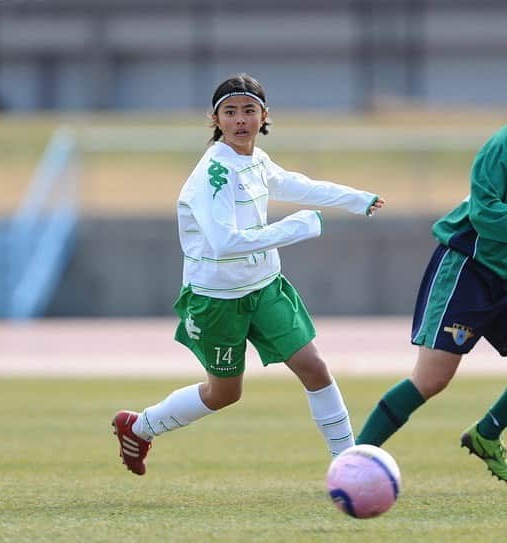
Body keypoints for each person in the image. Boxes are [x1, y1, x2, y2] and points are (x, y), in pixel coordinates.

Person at [112, 73, 385, 476]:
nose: (241, 119)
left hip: (265, 287)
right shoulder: (213, 174)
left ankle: (349, 464)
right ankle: (140, 426)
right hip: (217, 298)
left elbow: (298, 185)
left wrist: (356, 199)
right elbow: (225, 242)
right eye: (231, 111)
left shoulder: (255, 161)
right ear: (215, 118)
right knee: (224, 393)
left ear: (264, 115)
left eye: (249, 111)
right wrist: (297, 227)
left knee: (314, 366)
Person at [356, 124, 507, 482]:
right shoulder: (501, 146)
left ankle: (486, 434)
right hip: (470, 268)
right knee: (432, 377)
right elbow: (486, 214)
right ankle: (353, 461)